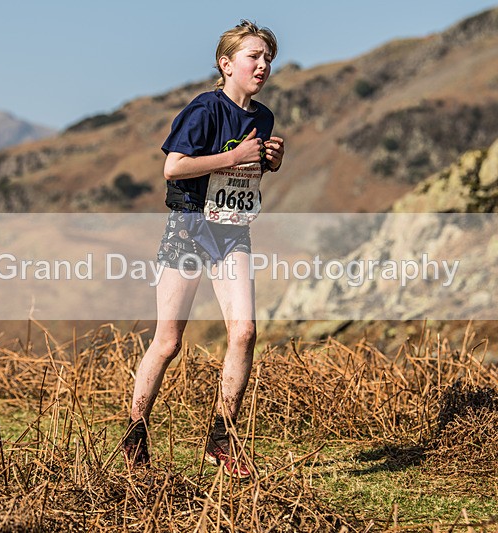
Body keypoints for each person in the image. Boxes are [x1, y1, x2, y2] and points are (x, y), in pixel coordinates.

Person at [122, 20, 285, 478]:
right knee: (169, 342)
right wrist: (234, 157)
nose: (263, 65)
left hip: (232, 232)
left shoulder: (263, 117)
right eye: (254, 56)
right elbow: (174, 168)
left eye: (268, 58)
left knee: (245, 331)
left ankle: (222, 440)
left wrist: (271, 162)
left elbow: (245, 175)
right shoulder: (203, 109)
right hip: (189, 228)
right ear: (226, 63)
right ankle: (134, 436)